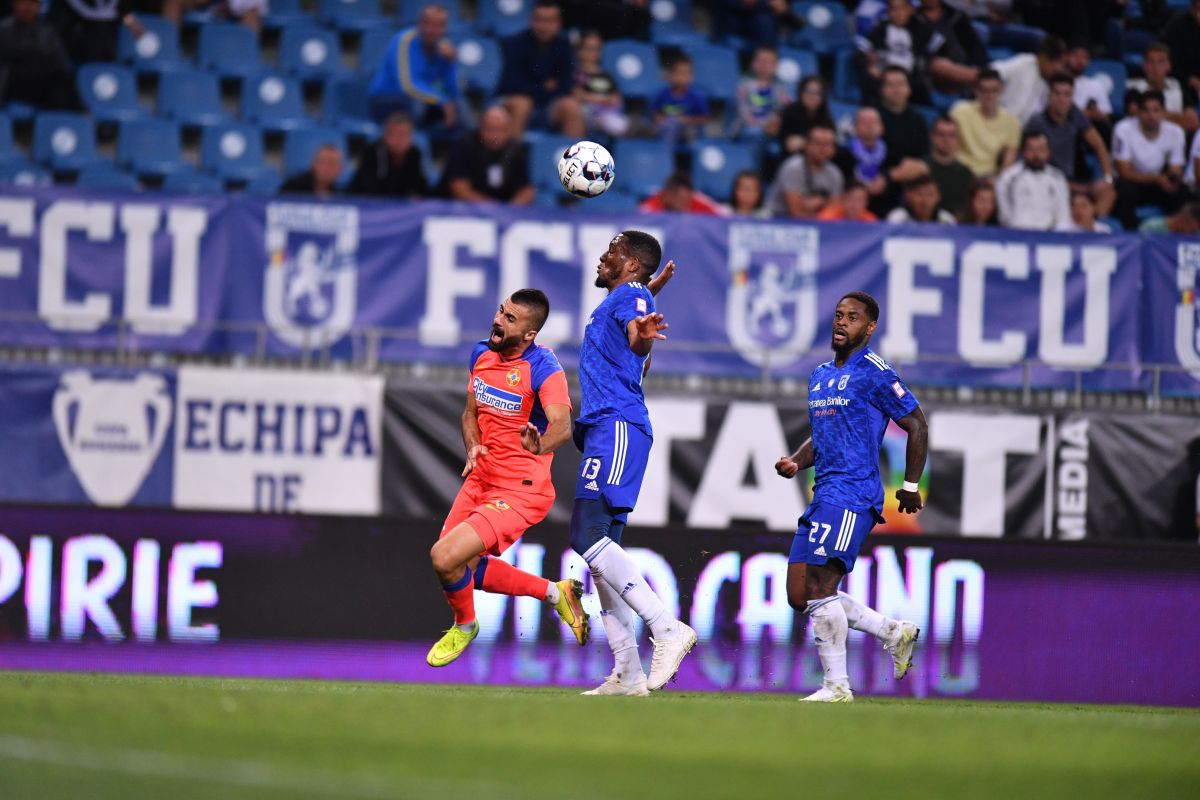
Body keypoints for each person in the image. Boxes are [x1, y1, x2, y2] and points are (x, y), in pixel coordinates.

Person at [775, 291, 927, 702]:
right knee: (798, 595)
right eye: (839, 315)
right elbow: (824, 434)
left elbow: (916, 424)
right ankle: (892, 631)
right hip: (823, 490)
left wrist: (910, 486)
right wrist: (796, 460)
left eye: (853, 317)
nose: (842, 322)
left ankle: (836, 686)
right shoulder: (820, 374)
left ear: (870, 326)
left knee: (822, 586)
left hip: (853, 492)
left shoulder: (875, 371)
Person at [425, 289, 588, 667]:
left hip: (520, 489)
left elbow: (562, 427)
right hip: (481, 477)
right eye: (501, 311)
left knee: (443, 555)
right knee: (455, 565)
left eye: (511, 319)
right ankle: (555, 593)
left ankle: (465, 626)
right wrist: (472, 444)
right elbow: (470, 413)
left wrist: (540, 444)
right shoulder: (480, 354)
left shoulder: (544, 368)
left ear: (530, 334)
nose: (499, 320)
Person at [572, 231, 697, 696]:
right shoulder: (630, 297)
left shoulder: (630, 295)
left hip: (616, 425)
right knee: (602, 552)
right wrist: (646, 305)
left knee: (585, 535)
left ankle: (666, 628)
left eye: (612, 252)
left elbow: (636, 337)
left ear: (631, 265)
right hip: (610, 426)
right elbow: (632, 335)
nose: (603, 257)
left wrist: (642, 336)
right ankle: (628, 672)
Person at [1024, 73, 1115, 217]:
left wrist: (1107, 178)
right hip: (1047, 180)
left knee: (1108, 191)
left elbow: (1099, 145)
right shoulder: (1037, 123)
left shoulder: (1075, 114)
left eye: (1067, 95)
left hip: (1075, 179)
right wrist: (1079, 187)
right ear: (1049, 96)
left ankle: (1095, 227)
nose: (1062, 100)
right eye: (1057, 94)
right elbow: (1034, 163)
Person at [366, 3, 460, 130]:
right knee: (417, 104)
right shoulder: (404, 40)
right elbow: (407, 86)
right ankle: (412, 142)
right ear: (420, 24)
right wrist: (442, 101)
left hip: (425, 99)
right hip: (384, 99)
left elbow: (452, 89)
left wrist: (451, 63)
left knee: (459, 105)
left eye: (439, 25)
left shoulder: (445, 47)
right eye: (429, 24)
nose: (433, 30)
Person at [496, 0, 582, 138]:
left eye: (549, 21)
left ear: (558, 24)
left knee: (571, 106)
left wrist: (535, 86)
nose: (543, 26)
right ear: (531, 21)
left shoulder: (564, 45)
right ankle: (512, 157)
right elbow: (511, 84)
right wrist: (545, 86)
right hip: (516, 103)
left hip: (548, 106)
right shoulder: (515, 43)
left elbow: (566, 85)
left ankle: (575, 158)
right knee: (522, 104)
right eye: (539, 20)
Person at [1112, 89, 1188, 231]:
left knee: (1182, 192)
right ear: (1138, 112)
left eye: (1156, 111)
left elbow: (1176, 169)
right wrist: (1157, 179)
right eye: (1146, 111)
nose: (1151, 116)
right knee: (1126, 190)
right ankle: (1130, 237)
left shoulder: (1176, 132)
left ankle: (1179, 236)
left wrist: (1171, 180)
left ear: (1164, 112)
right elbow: (1124, 171)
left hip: (1158, 182)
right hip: (1133, 181)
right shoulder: (1123, 129)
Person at [441, 106, 535, 206]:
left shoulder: (515, 150)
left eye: (500, 130)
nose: (494, 136)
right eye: (489, 129)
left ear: (509, 131)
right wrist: (492, 208)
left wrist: (512, 207)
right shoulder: (466, 145)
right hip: (464, 210)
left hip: (502, 211)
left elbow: (527, 190)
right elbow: (458, 188)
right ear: (480, 127)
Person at [0, 0, 76, 110]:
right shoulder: (3, 30)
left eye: (32, 3)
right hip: (10, 84)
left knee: (61, 82)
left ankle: (63, 121)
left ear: (39, 7)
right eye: (23, 3)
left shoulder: (48, 33)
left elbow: (61, 64)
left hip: (40, 85)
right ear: (14, 5)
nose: (27, 8)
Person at [995, 130, 1072, 230]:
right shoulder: (1009, 177)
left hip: (1049, 237)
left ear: (1048, 152)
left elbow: (1063, 215)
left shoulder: (1057, 177)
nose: (1036, 155)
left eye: (1041, 149)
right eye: (1031, 150)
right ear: (1023, 152)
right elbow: (1004, 214)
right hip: (1017, 234)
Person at [950, 68, 1020, 177]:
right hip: (960, 173)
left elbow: (1008, 162)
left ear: (1001, 90)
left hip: (989, 178)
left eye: (994, 90)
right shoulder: (960, 111)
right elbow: (950, 146)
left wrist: (997, 180)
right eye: (984, 90)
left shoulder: (1012, 122)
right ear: (975, 91)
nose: (989, 95)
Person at [862, 0, 934, 105]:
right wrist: (871, 65)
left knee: (922, 87)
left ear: (910, 10)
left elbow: (926, 56)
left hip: (912, 76)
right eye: (893, 9)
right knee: (869, 80)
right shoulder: (878, 30)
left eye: (902, 9)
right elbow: (865, 52)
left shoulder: (921, 30)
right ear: (888, 12)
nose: (898, 13)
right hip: (884, 74)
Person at [766, 125, 844, 218]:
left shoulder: (834, 173)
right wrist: (822, 203)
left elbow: (833, 211)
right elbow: (796, 212)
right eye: (818, 143)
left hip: (818, 223)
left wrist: (815, 203)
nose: (823, 149)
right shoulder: (793, 167)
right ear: (806, 145)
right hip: (778, 219)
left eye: (828, 144)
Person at [347, 113, 429, 199]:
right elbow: (365, 188)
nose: (400, 139)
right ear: (385, 135)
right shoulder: (372, 153)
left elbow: (419, 188)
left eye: (405, 134)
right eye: (396, 134)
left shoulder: (414, 154)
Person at [993, 35, 1067, 125]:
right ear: (1043, 57)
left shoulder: (1050, 84)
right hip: (997, 124)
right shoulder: (1022, 64)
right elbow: (991, 72)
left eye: (1060, 64)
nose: (1058, 68)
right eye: (1054, 64)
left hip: (1021, 133)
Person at [1126, 42, 1199, 134]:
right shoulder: (1134, 89)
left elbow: (1193, 123)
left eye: (1161, 62)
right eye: (1151, 62)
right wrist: (1177, 117)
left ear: (1169, 66)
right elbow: (1136, 117)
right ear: (1144, 66)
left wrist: (1155, 116)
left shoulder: (1177, 88)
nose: (1155, 67)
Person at [919, 0, 988, 95]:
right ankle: (980, 78)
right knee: (940, 65)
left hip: (963, 66)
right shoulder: (914, 19)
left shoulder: (956, 16)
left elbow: (974, 48)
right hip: (932, 73)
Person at [572, 30, 629, 139]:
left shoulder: (607, 75)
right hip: (588, 114)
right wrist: (601, 100)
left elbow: (616, 97)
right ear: (579, 51)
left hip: (608, 113)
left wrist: (612, 100)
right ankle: (626, 130)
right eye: (589, 49)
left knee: (611, 118)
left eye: (597, 49)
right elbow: (577, 95)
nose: (593, 53)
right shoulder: (577, 74)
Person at [649, 54, 710, 148]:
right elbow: (654, 113)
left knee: (690, 132)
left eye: (688, 73)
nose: (685, 77)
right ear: (671, 75)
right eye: (681, 73)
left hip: (687, 131)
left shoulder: (696, 96)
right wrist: (660, 118)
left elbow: (704, 118)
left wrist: (687, 120)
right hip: (666, 130)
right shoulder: (662, 94)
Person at [733, 45, 791, 141]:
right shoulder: (744, 85)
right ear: (753, 63)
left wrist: (777, 121)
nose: (764, 65)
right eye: (761, 61)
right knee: (755, 132)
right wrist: (763, 125)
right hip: (747, 128)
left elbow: (786, 108)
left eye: (769, 62)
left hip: (771, 128)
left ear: (776, 66)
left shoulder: (780, 88)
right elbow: (743, 111)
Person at [924, 115, 974, 216]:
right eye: (941, 134)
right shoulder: (920, 168)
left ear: (958, 139)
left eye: (951, 135)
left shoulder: (965, 173)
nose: (946, 140)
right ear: (932, 136)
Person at [778, 75, 836, 157]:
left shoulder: (825, 116)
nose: (812, 96)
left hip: (820, 162)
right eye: (808, 91)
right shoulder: (790, 111)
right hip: (794, 159)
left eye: (817, 93)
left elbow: (832, 146)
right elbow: (789, 145)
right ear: (801, 94)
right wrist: (818, 144)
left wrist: (804, 142)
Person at [846, 107, 889, 209]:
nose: (870, 126)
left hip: (882, 207)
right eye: (864, 122)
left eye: (874, 122)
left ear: (882, 127)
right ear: (855, 128)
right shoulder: (843, 154)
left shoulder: (892, 154)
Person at [1162, 0, 1200, 103]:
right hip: (1181, 81)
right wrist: (1189, 79)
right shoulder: (1177, 26)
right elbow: (1170, 64)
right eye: (1197, 8)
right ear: (1192, 8)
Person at [637, 172, 726, 215]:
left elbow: (724, 214)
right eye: (680, 199)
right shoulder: (652, 205)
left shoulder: (696, 199)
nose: (685, 205)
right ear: (668, 195)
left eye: (687, 200)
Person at [886, 174, 957, 224]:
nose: (924, 200)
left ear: (938, 197)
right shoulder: (897, 218)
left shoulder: (946, 220)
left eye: (929, 194)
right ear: (908, 196)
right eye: (919, 194)